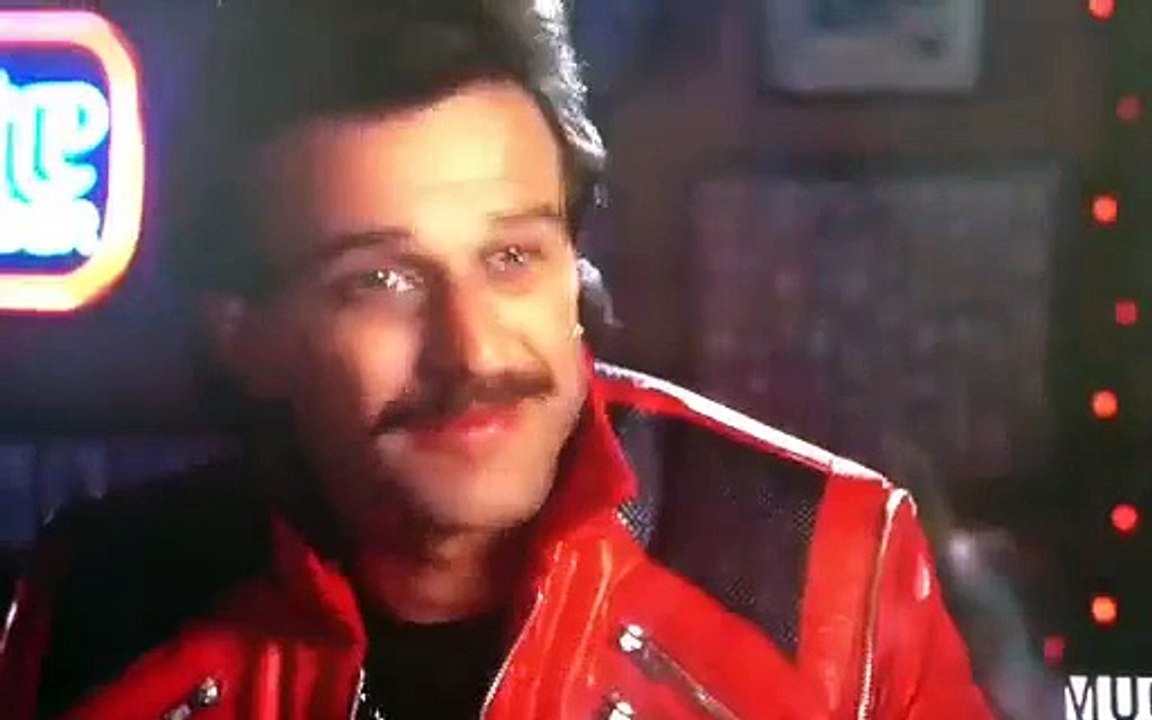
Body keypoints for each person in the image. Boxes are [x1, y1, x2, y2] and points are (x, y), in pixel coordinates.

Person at [0, 1, 993, 718]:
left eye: (511, 258)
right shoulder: (96, 610)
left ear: (575, 272)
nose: (471, 351)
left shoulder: (830, 569)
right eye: (379, 280)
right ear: (246, 338)